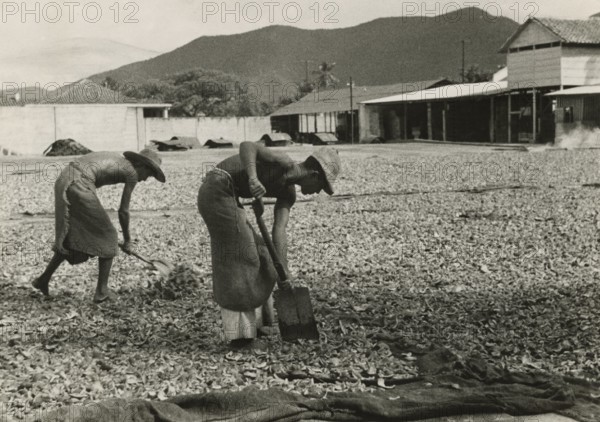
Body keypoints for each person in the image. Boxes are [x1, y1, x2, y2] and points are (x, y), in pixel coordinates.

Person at [197, 141, 341, 348]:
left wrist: (284, 271)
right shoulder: (283, 162)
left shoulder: (288, 194)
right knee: (242, 260)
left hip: (231, 196)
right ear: (314, 174)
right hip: (216, 189)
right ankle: (240, 339)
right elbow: (247, 146)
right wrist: (253, 178)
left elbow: (279, 231)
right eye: (322, 186)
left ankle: (260, 322)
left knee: (265, 255)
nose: (318, 191)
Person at [32, 149, 166, 302]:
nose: (145, 179)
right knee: (109, 236)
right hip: (78, 183)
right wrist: (128, 240)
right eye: (149, 175)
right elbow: (123, 211)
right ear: (142, 166)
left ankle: (42, 280)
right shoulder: (132, 174)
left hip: (66, 179)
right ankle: (102, 291)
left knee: (73, 236)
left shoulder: (122, 162)